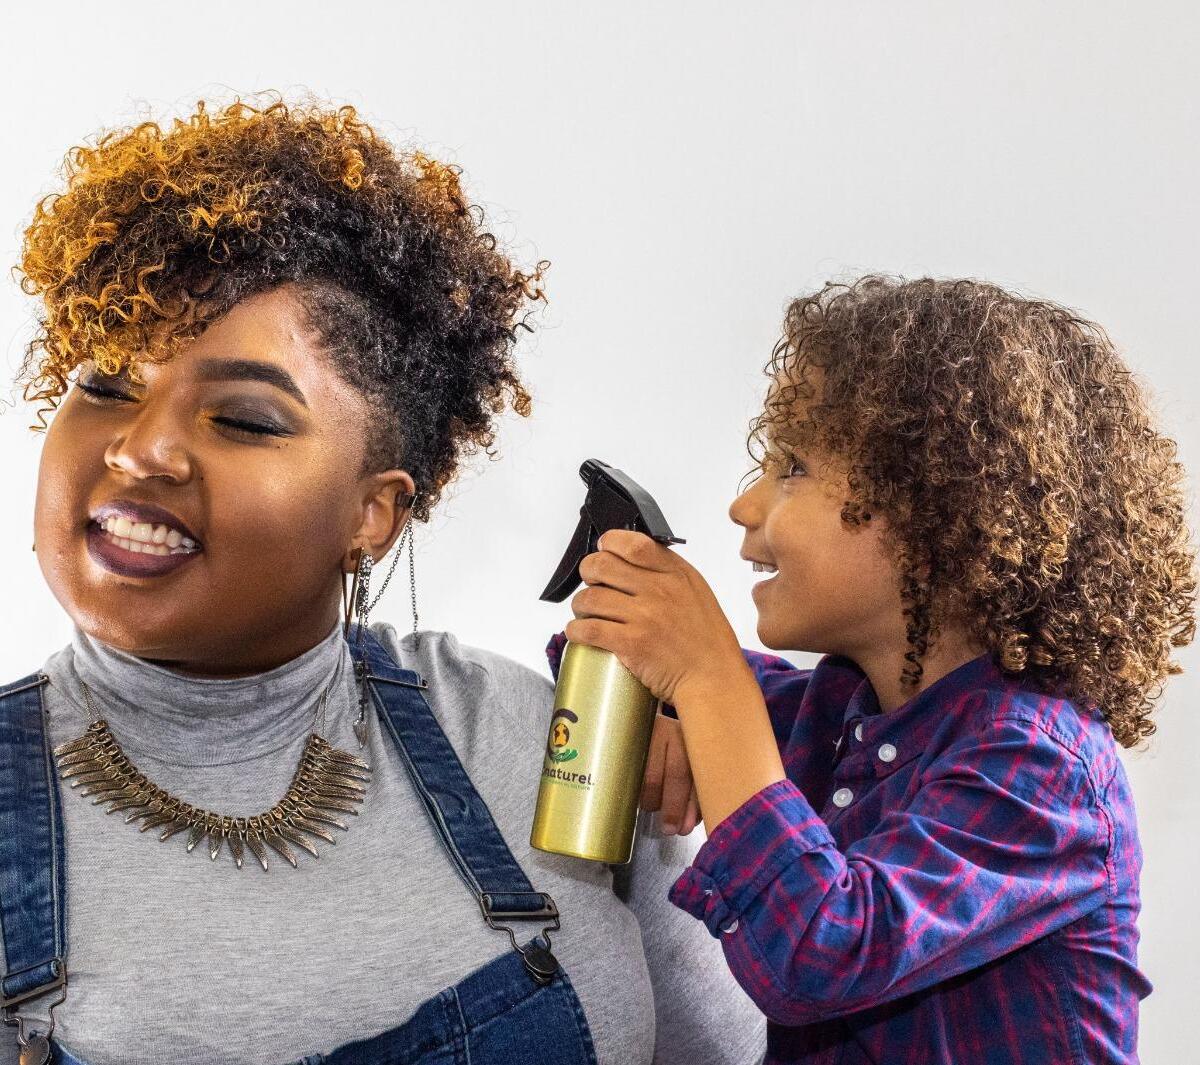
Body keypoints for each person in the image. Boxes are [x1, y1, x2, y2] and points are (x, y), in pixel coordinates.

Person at [0, 96, 766, 1065]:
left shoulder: (560, 746)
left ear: (375, 513)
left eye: (241, 418)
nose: (140, 449)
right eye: (106, 387)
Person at [557, 276, 1196, 1064]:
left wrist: (707, 685)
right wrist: (653, 705)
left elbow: (820, 949)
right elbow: (612, 650)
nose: (743, 507)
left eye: (793, 466)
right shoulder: (838, 708)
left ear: (938, 510)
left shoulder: (1043, 769)